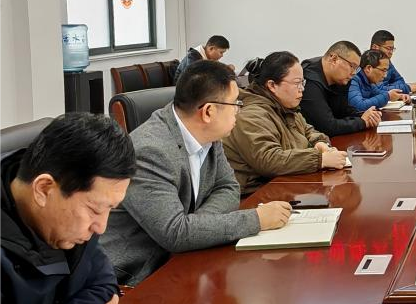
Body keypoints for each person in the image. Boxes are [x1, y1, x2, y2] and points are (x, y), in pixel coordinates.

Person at [0, 113, 154, 304]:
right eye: (95, 210)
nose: (101, 227)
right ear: (44, 189)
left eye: (110, 210)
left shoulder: (68, 217)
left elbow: (102, 285)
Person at [101, 61, 293, 286]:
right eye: (235, 104)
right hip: (135, 277)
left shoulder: (209, 135)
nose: (238, 111)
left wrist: (195, 226)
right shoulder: (150, 151)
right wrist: (256, 220)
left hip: (185, 257)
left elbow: (228, 187)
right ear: (208, 111)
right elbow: (175, 233)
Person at [223, 51, 349, 195]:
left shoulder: (285, 106)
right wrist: (320, 160)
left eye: (303, 82)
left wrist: (319, 143)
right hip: (256, 194)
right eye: (296, 83)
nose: (302, 89)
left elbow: (308, 130)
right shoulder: (251, 115)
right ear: (272, 85)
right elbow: (269, 160)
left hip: (283, 184)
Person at [300, 41, 382, 137]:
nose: (354, 73)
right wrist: (362, 122)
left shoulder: (341, 79)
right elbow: (327, 127)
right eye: (352, 66)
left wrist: (366, 116)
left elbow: (343, 111)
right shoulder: (309, 81)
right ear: (334, 59)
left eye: (357, 69)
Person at [370, 30, 416, 94]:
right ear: (375, 47)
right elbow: (377, 89)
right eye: (388, 48)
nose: (391, 52)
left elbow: (400, 80)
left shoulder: (387, 62)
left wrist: (389, 87)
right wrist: (407, 88)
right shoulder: (367, 64)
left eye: (392, 49)